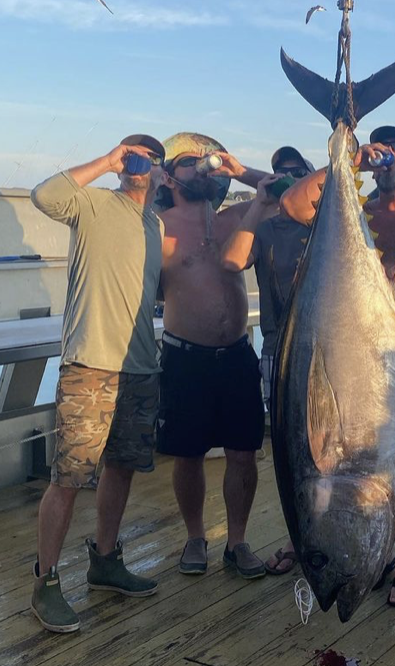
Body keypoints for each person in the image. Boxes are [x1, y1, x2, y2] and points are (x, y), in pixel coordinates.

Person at [279, 126, 395, 604]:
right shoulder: (353, 209)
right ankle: (361, 548)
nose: (388, 158)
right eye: (382, 150)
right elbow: (293, 206)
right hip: (352, 364)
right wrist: (344, 161)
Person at [28, 134, 168, 633]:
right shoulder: (90, 203)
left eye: (150, 158)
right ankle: (45, 581)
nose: (139, 162)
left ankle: (105, 560)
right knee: (69, 479)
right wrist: (107, 161)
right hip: (90, 364)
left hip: (141, 368)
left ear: (160, 173)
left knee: (123, 467)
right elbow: (44, 196)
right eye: (132, 153)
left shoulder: (156, 222)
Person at [156, 132, 272, 580]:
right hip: (185, 358)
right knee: (187, 455)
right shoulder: (159, 226)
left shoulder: (235, 217)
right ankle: (194, 536)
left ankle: (238, 541)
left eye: (205, 161)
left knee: (244, 452)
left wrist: (239, 170)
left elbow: (290, 192)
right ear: (169, 174)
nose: (199, 167)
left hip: (238, 354)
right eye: (188, 162)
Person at [219, 146, 315, 577]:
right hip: (280, 353)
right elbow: (232, 260)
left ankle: (336, 537)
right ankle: (301, 540)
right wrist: (259, 197)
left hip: (330, 350)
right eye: (281, 174)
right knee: (292, 453)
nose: (287, 180)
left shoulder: (326, 223)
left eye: (298, 175)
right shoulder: (266, 227)